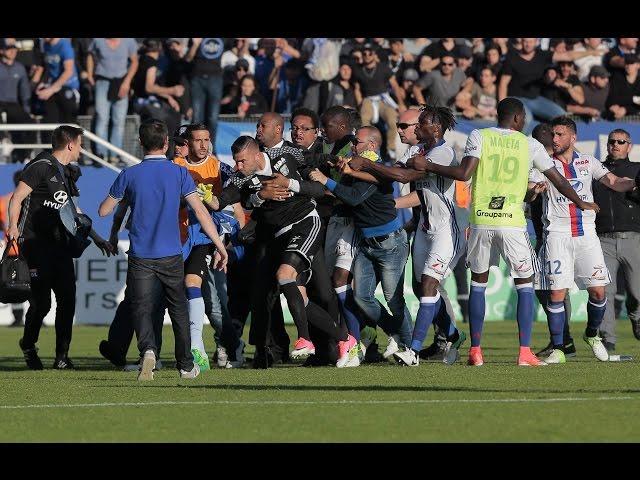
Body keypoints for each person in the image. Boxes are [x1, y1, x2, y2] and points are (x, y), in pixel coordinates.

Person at [406, 97, 599, 366]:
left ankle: (475, 350)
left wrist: (428, 166)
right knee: (525, 285)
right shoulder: (530, 144)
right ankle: (524, 352)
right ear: (519, 119)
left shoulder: (479, 135)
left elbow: (464, 173)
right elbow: (558, 178)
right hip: (511, 223)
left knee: (478, 284)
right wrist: (581, 202)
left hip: (482, 220)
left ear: (499, 115)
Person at [98, 119, 228, 381]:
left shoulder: (129, 174)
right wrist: (218, 244)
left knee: (142, 307)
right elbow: (201, 211)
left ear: (140, 143)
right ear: (167, 144)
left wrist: (122, 198)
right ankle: (185, 364)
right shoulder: (179, 173)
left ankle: (148, 350)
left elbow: (104, 210)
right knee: (178, 308)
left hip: (140, 255)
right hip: (171, 254)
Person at [213, 136, 358, 367]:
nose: (237, 167)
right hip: (280, 236)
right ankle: (346, 340)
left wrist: (289, 183)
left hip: (305, 223)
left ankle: (305, 339)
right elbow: (220, 201)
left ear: (255, 155)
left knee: (285, 276)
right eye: (235, 162)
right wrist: (206, 198)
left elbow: (318, 190)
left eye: (241, 161)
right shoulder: (242, 180)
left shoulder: (285, 157)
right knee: (300, 299)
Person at [346, 106, 469, 366]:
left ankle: (412, 350)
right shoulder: (416, 151)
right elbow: (390, 173)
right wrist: (350, 172)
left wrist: (367, 163)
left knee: (428, 285)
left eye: (420, 124)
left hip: (446, 230)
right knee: (421, 287)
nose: (415, 128)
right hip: (424, 229)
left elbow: (404, 175)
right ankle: (453, 335)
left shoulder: (443, 153)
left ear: (434, 128)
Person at [528, 116, 636, 364]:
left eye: (560, 135)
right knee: (556, 294)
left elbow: (615, 182)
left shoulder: (588, 161)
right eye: (552, 135)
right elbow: (530, 193)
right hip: (557, 235)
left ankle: (592, 335)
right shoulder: (544, 164)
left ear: (572, 137)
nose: (554, 139)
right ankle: (559, 348)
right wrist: (534, 191)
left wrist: (634, 183)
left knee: (598, 292)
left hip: (587, 235)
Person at [7, 125, 115, 370]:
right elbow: (17, 198)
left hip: (61, 246)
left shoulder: (67, 173)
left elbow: (73, 212)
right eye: (80, 144)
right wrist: (13, 227)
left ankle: (62, 357)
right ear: (70, 144)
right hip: (35, 245)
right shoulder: (40, 166)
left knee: (67, 300)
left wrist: (97, 238)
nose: (82, 149)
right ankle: (28, 344)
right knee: (42, 303)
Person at [310, 126, 413, 359]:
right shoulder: (359, 164)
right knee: (362, 297)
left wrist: (326, 180)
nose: (353, 146)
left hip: (390, 243)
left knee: (393, 300)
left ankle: (409, 348)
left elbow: (354, 198)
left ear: (372, 146)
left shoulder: (377, 168)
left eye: (357, 142)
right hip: (368, 242)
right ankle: (395, 333)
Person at [173, 123, 242, 371]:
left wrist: (229, 237)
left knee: (211, 300)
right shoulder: (176, 167)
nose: (203, 145)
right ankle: (154, 353)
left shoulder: (219, 168)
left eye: (206, 140)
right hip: (179, 237)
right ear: (188, 143)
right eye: (197, 140)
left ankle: (223, 347)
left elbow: (233, 203)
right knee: (171, 295)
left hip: (208, 238)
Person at [528, 123, 576, 359]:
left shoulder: (548, 165)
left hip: (554, 235)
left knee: (554, 290)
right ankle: (562, 339)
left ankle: (563, 341)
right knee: (548, 290)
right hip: (544, 234)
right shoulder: (541, 164)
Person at [593, 129, 640, 351]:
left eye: (621, 141)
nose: (615, 145)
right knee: (605, 292)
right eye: (612, 141)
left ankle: (636, 314)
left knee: (637, 292)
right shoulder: (597, 170)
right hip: (602, 240)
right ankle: (608, 340)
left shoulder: (637, 169)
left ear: (629, 146)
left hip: (633, 238)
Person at [86, 38, 139, 165]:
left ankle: (115, 155)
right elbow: (90, 55)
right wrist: (89, 74)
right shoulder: (98, 41)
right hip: (102, 81)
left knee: (118, 121)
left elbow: (134, 62)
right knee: (102, 118)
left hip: (121, 82)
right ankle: (101, 154)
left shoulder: (129, 41)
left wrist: (127, 82)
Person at [352, 43, 405, 159]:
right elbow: (357, 89)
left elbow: (395, 85)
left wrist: (401, 104)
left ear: (374, 55)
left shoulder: (383, 67)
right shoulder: (358, 70)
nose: (367, 55)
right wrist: (360, 103)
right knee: (364, 119)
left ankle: (391, 149)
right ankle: (366, 150)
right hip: (368, 99)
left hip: (383, 99)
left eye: (369, 53)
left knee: (392, 120)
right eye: (364, 53)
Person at [186, 38, 225, 152]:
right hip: (197, 79)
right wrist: (195, 44)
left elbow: (239, 50)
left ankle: (210, 149)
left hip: (216, 79)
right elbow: (188, 58)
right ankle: (194, 149)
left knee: (213, 118)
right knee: (197, 117)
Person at [0, 38, 36, 163]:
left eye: (14, 49)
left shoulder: (19, 68)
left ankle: (26, 155)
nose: (12, 51)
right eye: (9, 49)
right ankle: (3, 140)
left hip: (12, 104)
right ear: (2, 50)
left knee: (30, 123)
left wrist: (27, 111)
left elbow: (25, 92)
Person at [37, 39, 80, 133]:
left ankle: (75, 146)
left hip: (68, 87)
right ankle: (51, 147)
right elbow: (49, 68)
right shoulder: (46, 45)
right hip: (53, 87)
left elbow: (68, 71)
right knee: (49, 120)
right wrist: (43, 83)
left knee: (68, 123)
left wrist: (51, 90)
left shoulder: (64, 45)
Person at [0, 170, 24, 327]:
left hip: (11, 249)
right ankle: (37, 316)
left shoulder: (4, 201)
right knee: (35, 282)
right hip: (31, 248)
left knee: (13, 284)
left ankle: (17, 318)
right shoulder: (34, 199)